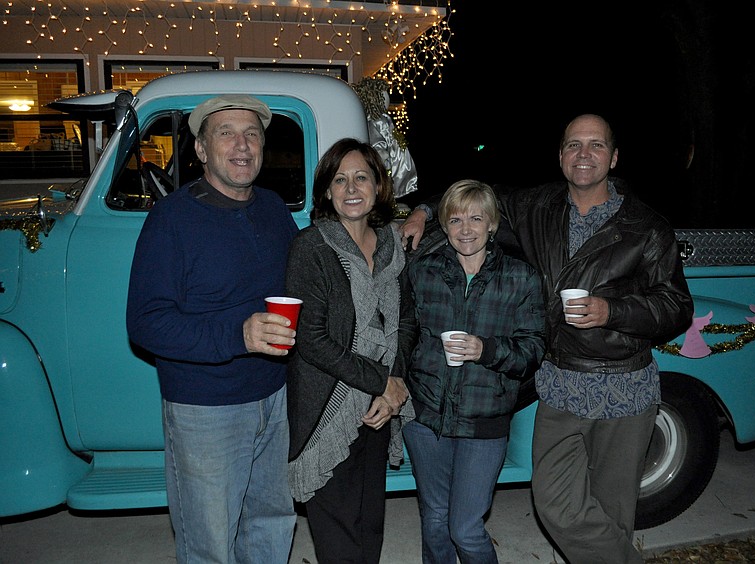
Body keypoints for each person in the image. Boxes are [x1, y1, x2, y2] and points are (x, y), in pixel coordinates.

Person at [401, 114, 694, 564]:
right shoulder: (537, 207)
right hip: (559, 384)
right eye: (574, 144)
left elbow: (676, 306)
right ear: (560, 156)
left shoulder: (646, 226)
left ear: (613, 157)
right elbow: (477, 198)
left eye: (596, 145)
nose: (584, 154)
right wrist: (423, 210)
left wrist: (611, 311)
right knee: (555, 505)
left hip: (624, 388)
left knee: (612, 513)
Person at [126, 95, 299, 563]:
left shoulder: (273, 209)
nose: (242, 146)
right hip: (207, 409)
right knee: (209, 542)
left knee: (271, 522)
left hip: (275, 398)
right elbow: (145, 323)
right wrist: (237, 335)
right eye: (226, 133)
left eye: (252, 134)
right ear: (201, 150)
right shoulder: (172, 220)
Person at [285, 137, 418, 563]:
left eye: (361, 177)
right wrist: (383, 382)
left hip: (377, 406)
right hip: (329, 407)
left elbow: (407, 321)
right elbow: (313, 340)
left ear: (379, 186)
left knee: (369, 523)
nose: (351, 188)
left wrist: (392, 384)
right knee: (338, 533)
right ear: (326, 190)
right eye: (339, 180)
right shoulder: (312, 248)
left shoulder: (391, 246)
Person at [404, 179, 545, 563]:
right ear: (444, 227)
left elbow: (533, 351)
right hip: (426, 418)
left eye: (475, 218)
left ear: (492, 224)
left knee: (464, 527)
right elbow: (404, 334)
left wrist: (486, 350)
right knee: (434, 517)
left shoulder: (521, 278)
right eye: (455, 220)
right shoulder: (423, 271)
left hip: (484, 421)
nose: (465, 229)